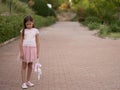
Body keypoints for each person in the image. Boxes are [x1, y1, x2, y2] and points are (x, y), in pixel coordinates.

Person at [19, 15, 40, 89]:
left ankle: (28, 81)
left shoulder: (36, 31)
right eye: (27, 24)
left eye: (30, 24)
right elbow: (20, 42)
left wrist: (37, 52)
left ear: (33, 22)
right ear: (25, 24)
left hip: (32, 49)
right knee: (24, 66)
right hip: (25, 49)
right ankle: (23, 82)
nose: (29, 25)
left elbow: (38, 43)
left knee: (30, 66)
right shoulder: (23, 31)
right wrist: (21, 52)